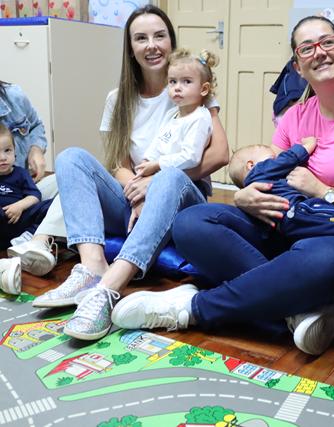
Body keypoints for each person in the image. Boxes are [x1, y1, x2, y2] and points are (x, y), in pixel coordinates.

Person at [110, 15, 334, 356]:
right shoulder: (295, 116)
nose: (319, 52)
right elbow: (270, 175)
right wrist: (244, 196)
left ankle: (193, 308)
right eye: (307, 48)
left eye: (327, 43)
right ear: (298, 67)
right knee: (191, 222)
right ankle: (294, 307)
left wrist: (325, 192)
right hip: (283, 228)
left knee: (329, 259)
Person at [30, 5, 229, 342]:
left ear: (170, 41)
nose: (151, 45)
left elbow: (220, 154)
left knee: (168, 178)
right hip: (135, 195)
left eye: (159, 36)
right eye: (141, 38)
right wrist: (138, 192)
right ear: (131, 48)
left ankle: (109, 289)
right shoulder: (117, 99)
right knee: (71, 158)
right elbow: (119, 164)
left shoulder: (191, 86)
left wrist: (154, 184)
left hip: (182, 198)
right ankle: (93, 267)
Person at [228, 137, 334, 269]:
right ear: (251, 165)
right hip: (299, 211)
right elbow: (287, 159)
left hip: (289, 223)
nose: (276, 159)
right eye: (272, 158)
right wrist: (306, 146)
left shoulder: (255, 191)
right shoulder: (259, 171)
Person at [132, 47, 218, 228]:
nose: (177, 87)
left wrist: (157, 165)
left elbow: (191, 157)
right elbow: (158, 144)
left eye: (186, 81)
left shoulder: (200, 117)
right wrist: (146, 163)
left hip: (189, 185)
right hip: (161, 181)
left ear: (203, 89)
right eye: (172, 82)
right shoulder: (172, 115)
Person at [0, 80, 62, 276]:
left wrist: (35, 150)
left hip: (24, 201)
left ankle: (35, 242)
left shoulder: (13, 95)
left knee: (70, 181)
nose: (3, 157)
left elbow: (35, 125)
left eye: (7, 151)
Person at [0, 124, 53, 294]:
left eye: (7, 150)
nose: (3, 157)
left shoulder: (20, 173)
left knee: (49, 206)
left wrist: (19, 206)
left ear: (15, 152)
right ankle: (6, 267)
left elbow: (35, 196)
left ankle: (29, 238)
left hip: (19, 219)